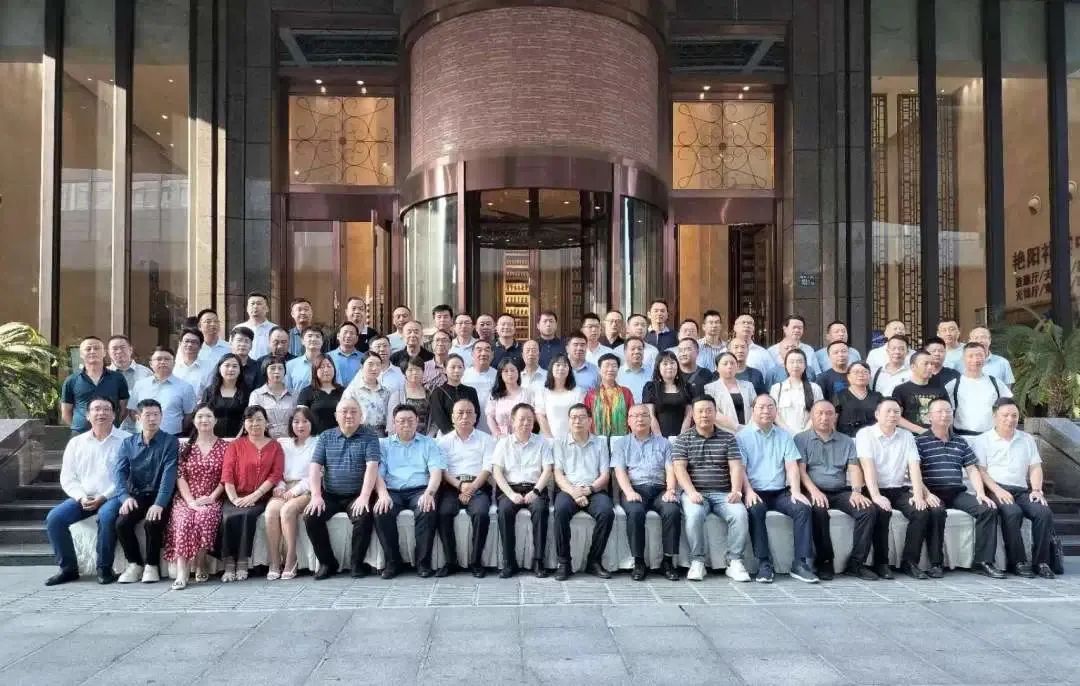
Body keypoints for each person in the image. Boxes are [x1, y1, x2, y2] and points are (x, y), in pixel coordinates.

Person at [914, 398, 1005, 578]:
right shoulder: (919, 441)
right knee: (936, 512)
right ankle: (936, 563)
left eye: (948, 411)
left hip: (956, 493)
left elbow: (971, 469)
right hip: (932, 492)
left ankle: (983, 562)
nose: (945, 415)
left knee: (987, 510)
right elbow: (913, 472)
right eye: (939, 411)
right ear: (929, 416)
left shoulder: (960, 441)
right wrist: (926, 494)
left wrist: (980, 493)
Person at [44, 397, 129, 586]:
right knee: (55, 518)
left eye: (106, 409)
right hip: (84, 496)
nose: (101, 413)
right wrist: (81, 496)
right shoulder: (76, 443)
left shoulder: (126, 440)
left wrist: (104, 497)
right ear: (88, 415)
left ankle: (104, 568)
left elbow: (128, 476)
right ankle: (68, 569)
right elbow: (68, 477)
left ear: (114, 415)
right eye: (96, 409)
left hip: (114, 496)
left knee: (106, 516)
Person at [794, 401, 881, 580]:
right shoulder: (801, 439)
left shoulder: (846, 440)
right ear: (811, 416)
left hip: (840, 490)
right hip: (813, 490)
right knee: (818, 510)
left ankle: (856, 563)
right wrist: (814, 491)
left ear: (835, 416)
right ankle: (825, 561)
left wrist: (856, 491)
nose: (824, 417)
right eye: (819, 413)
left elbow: (854, 468)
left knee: (867, 510)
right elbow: (801, 471)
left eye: (829, 413)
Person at [736, 394, 818, 583]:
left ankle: (800, 563)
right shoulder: (742, 437)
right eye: (761, 407)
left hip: (780, 492)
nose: (766, 411)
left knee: (803, 508)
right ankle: (764, 563)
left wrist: (796, 491)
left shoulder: (784, 435)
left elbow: (792, 466)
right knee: (755, 510)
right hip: (755, 491)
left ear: (776, 411)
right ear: (753, 410)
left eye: (770, 407)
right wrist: (748, 491)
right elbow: (740, 469)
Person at [972, 399, 1056, 578]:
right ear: (995, 416)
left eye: (1014, 415)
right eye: (1005, 415)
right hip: (995, 489)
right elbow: (981, 471)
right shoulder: (983, 440)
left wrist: (1036, 489)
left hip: (1022, 490)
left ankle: (1041, 562)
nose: (1010, 419)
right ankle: (1017, 562)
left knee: (1043, 512)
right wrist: (997, 490)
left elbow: (1035, 467)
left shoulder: (1026, 439)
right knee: (1013, 513)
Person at [303, 398, 385, 579]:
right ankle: (327, 563)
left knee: (364, 516)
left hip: (357, 494)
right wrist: (316, 495)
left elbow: (372, 466)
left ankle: (356, 563)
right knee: (311, 516)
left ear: (361, 415)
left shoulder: (369, 436)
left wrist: (364, 496)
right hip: (330, 494)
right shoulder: (326, 436)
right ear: (336, 416)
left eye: (354, 411)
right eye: (344, 411)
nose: (349, 415)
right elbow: (315, 467)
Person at [672, 396, 751, 582]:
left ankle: (734, 561)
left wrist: (736, 490)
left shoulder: (728, 438)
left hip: (724, 493)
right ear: (693, 415)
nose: (704, 415)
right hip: (695, 493)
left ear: (715, 413)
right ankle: (697, 561)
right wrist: (691, 492)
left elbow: (736, 467)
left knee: (740, 514)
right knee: (694, 515)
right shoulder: (683, 439)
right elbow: (679, 469)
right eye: (700, 411)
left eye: (709, 410)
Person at [855, 398, 927, 580]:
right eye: (888, 411)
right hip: (874, 488)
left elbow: (914, 466)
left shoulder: (906, 436)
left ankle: (910, 562)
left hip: (899, 488)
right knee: (882, 511)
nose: (893, 415)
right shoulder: (866, 434)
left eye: (896, 412)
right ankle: (881, 563)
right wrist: (876, 496)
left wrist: (918, 495)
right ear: (877, 414)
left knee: (920, 511)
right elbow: (867, 466)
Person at [112, 399, 180, 584]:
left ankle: (152, 565)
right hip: (137, 495)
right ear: (138, 417)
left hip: (162, 495)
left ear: (161, 417)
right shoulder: (128, 443)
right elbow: (119, 473)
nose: (152, 419)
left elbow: (169, 475)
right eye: (148, 415)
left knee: (153, 522)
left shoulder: (170, 442)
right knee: (122, 523)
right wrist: (124, 497)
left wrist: (159, 503)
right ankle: (134, 564)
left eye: (156, 415)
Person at [374, 404, 446, 578]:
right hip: (392, 490)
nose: (406, 424)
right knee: (381, 511)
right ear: (394, 423)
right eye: (401, 421)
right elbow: (377, 474)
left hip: (420, 490)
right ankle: (393, 562)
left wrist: (429, 493)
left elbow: (436, 472)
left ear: (417, 421)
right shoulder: (383, 444)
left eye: (410, 420)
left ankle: (423, 563)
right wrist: (382, 495)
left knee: (427, 509)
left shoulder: (429, 443)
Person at [613, 405, 681, 581]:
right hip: (635, 489)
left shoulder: (664, 443)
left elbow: (670, 469)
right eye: (634, 416)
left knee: (672, 510)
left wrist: (671, 490)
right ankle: (639, 562)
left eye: (644, 415)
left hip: (660, 489)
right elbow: (620, 471)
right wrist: (629, 491)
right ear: (628, 421)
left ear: (651, 419)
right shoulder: (621, 444)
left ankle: (667, 561)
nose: (639, 419)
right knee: (635, 512)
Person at [219, 406, 284, 581]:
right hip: (234, 495)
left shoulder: (275, 446)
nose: (255, 423)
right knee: (228, 517)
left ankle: (242, 560)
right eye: (250, 420)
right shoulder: (235, 445)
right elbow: (227, 473)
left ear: (266, 423)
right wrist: (234, 498)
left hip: (261, 497)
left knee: (247, 515)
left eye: (259, 419)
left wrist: (254, 496)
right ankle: (229, 563)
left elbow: (275, 475)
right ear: (244, 423)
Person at [163, 404, 225, 590]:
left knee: (204, 516)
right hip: (186, 498)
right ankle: (182, 571)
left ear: (215, 420)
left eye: (208, 416)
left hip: (212, 497)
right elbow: (180, 476)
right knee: (184, 520)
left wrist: (212, 497)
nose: (204, 420)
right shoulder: (185, 447)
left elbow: (227, 477)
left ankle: (200, 562)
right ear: (194, 421)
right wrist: (190, 501)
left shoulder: (225, 447)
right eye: (200, 416)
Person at [551, 404, 615, 580]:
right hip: (568, 489)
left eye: (581, 417)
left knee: (606, 512)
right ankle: (564, 562)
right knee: (561, 511)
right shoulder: (560, 442)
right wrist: (574, 492)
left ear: (590, 421)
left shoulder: (600, 443)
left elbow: (605, 475)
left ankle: (594, 561)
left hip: (593, 489)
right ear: (568, 421)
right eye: (573, 417)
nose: (577, 421)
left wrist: (589, 490)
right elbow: (558, 474)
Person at [491, 404, 554, 578]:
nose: (526, 423)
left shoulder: (542, 442)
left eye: (530, 420)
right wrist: (511, 494)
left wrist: (536, 491)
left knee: (540, 510)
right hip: (510, 489)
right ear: (512, 421)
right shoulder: (504, 443)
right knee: (504, 511)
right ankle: (509, 562)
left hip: (535, 488)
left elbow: (547, 470)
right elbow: (497, 472)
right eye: (522, 419)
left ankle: (539, 561)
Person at [435, 399, 496, 578]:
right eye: (460, 413)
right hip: (452, 486)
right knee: (443, 513)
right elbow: (442, 470)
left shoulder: (486, 439)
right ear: (452, 417)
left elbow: (487, 468)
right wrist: (460, 486)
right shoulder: (443, 442)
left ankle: (476, 562)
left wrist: (472, 488)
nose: (464, 416)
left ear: (476, 417)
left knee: (481, 514)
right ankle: (450, 561)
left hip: (478, 486)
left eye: (469, 413)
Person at [265, 407, 317, 580]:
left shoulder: (317, 443)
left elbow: (317, 474)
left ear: (312, 423)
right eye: (296, 421)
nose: (300, 425)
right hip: (284, 487)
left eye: (305, 421)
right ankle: (274, 561)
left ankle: (291, 559)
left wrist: (295, 491)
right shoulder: (283, 444)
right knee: (271, 511)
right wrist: (279, 486)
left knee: (287, 510)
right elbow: (277, 470)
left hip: (307, 488)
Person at [61, 336, 130, 435]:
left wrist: (113, 424)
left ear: (104, 352)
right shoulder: (71, 380)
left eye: (96, 348)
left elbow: (123, 409)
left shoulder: (118, 378)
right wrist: (78, 426)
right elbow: (66, 412)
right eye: (88, 349)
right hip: (80, 434)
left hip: (110, 434)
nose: (92, 351)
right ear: (81, 354)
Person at [944, 342, 1013, 436]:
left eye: (979, 355)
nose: (975, 359)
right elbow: (947, 413)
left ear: (985, 357)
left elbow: (1009, 408)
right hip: (963, 437)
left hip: (991, 437)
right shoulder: (953, 384)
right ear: (963, 359)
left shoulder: (996, 383)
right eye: (970, 356)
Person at [129, 347, 197, 436]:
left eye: (167, 359)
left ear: (174, 363)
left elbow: (189, 415)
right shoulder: (140, 385)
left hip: (172, 437)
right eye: (159, 359)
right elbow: (133, 411)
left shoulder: (185, 387)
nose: (163, 362)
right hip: (143, 437)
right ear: (151, 364)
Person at [891, 350, 948, 435]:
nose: (930, 367)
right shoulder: (901, 390)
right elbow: (895, 416)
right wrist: (922, 431)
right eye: (926, 364)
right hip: (910, 437)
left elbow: (947, 413)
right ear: (913, 367)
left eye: (932, 364)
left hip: (936, 437)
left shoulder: (939, 388)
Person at [769, 349, 824, 434]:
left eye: (799, 362)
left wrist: (803, 433)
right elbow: (774, 414)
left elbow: (818, 412)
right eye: (792, 362)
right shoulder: (776, 388)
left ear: (805, 365)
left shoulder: (815, 388)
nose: (795, 365)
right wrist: (790, 433)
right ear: (785, 365)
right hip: (783, 435)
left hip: (808, 435)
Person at [107, 335, 153, 432]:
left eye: (122, 347)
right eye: (115, 348)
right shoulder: (104, 375)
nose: (119, 351)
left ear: (130, 350)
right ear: (108, 352)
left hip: (140, 429)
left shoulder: (146, 373)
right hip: (111, 429)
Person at [428, 354, 481, 437]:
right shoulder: (438, 393)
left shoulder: (471, 391)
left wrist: (467, 432)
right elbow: (439, 418)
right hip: (446, 437)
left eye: (460, 367)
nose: (457, 370)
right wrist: (456, 436)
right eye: (453, 367)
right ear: (444, 370)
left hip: (469, 435)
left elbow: (476, 414)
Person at [642, 351, 692, 438]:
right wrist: (660, 439)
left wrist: (681, 438)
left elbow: (688, 415)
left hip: (683, 436)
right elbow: (651, 416)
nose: (669, 366)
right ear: (658, 367)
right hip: (657, 437)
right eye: (665, 364)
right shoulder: (651, 387)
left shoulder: (686, 387)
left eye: (672, 363)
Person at [535, 354, 586, 440]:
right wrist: (550, 439)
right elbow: (540, 416)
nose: (561, 368)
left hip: (572, 439)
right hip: (547, 439)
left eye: (565, 365)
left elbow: (578, 415)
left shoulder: (578, 391)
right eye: (558, 365)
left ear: (569, 369)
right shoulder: (542, 391)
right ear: (551, 368)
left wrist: (569, 438)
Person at [342, 354, 394, 437]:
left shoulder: (385, 391)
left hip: (381, 434)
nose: (375, 368)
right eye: (370, 364)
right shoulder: (352, 391)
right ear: (362, 366)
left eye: (378, 364)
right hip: (358, 433)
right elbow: (344, 415)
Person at [248, 356, 299, 439]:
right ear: (265, 371)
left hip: (290, 440)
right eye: (272, 368)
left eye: (280, 368)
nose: (277, 371)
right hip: (265, 440)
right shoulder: (256, 395)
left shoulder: (295, 394)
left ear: (285, 371)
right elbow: (252, 419)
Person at [704, 352, 756, 431]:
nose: (729, 366)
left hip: (749, 431)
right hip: (724, 433)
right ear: (717, 368)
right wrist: (738, 428)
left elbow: (756, 408)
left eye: (732, 363)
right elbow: (714, 413)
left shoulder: (748, 386)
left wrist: (748, 429)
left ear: (737, 366)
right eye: (725, 364)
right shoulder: (710, 389)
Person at [584, 353, 633, 438]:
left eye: (614, 366)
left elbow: (632, 417)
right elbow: (586, 418)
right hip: (597, 440)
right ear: (599, 370)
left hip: (622, 440)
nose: (610, 369)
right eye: (606, 365)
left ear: (618, 370)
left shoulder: (626, 392)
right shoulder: (591, 394)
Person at [201, 353, 250, 438]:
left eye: (235, 366)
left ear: (240, 370)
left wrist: (238, 438)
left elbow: (248, 417)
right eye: (227, 365)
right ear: (219, 368)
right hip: (212, 438)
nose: (231, 369)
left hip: (239, 439)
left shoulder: (247, 392)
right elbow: (203, 415)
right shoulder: (209, 391)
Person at [486, 357, 533, 438]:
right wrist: (498, 434)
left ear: (518, 372)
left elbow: (532, 417)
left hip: (522, 437)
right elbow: (490, 417)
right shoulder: (494, 394)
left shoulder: (527, 393)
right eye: (506, 371)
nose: (510, 374)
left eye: (512, 370)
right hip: (500, 438)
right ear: (500, 374)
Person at [833, 362, 882, 438]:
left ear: (869, 376)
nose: (861, 375)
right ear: (848, 377)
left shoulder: (877, 396)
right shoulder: (839, 396)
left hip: (873, 438)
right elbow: (833, 421)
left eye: (865, 372)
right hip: (848, 439)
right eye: (856, 372)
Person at [297, 355, 344, 435]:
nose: (326, 370)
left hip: (340, 437)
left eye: (329, 366)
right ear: (315, 370)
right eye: (322, 367)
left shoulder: (343, 391)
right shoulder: (306, 392)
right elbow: (300, 419)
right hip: (315, 437)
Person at [388, 357, 432, 436]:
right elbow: (391, 422)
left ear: (423, 371)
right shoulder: (397, 394)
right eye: (410, 370)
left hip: (425, 437)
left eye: (418, 369)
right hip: (403, 437)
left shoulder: (429, 393)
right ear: (404, 373)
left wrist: (429, 437)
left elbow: (433, 419)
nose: (414, 373)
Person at [462, 340, 497, 432]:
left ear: (492, 355)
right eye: (479, 350)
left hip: (492, 426)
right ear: (472, 354)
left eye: (487, 350)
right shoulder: (464, 375)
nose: (483, 353)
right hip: (468, 423)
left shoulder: (498, 376)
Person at [174, 328, 214, 399]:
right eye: (186, 341)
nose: (189, 345)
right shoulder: (172, 367)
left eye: (194, 342)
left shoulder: (209, 369)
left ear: (200, 346)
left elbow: (210, 395)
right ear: (180, 344)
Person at [285, 327, 326, 393]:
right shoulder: (290, 365)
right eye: (310, 336)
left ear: (322, 342)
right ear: (302, 341)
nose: (313, 339)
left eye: (317, 336)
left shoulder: (331, 364)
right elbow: (286, 391)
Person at [238, 291, 277, 359]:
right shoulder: (238, 328)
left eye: (259, 303)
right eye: (252, 304)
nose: (255, 306)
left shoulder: (275, 329)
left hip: (268, 365)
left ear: (267, 308)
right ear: (247, 308)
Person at [615, 336, 652, 403]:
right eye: (633, 349)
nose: (637, 351)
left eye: (640, 349)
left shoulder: (651, 372)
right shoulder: (617, 373)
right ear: (625, 352)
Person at [327, 322, 364, 387]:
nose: (348, 336)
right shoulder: (327, 357)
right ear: (338, 336)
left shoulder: (364, 358)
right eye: (345, 332)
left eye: (352, 333)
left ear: (357, 339)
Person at [226, 326, 261, 390]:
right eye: (239, 340)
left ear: (251, 346)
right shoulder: (223, 365)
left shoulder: (258, 367)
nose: (243, 344)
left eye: (246, 341)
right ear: (231, 343)